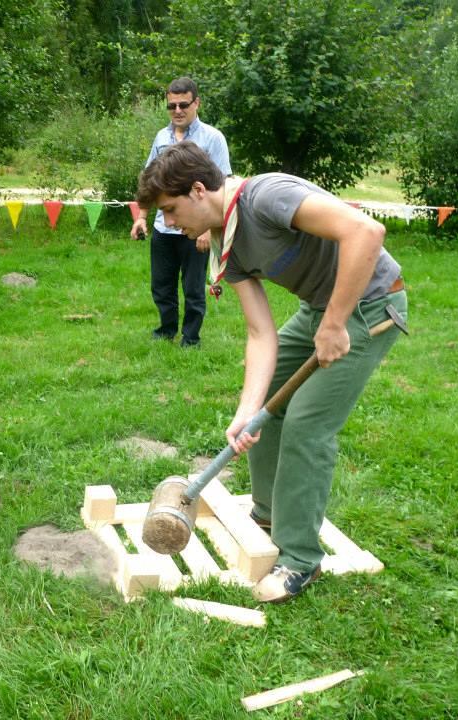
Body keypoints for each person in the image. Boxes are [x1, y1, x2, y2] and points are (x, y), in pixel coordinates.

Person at [136, 141, 408, 603]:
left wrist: (336, 322)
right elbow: (261, 334)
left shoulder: (266, 197)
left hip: (369, 306)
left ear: (199, 190)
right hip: (320, 311)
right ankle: (268, 513)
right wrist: (246, 411)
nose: (169, 222)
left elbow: (366, 232)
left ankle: (301, 558)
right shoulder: (225, 240)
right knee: (264, 410)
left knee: (307, 424)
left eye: (170, 209)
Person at [129, 77, 231, 348]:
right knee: (161, 286)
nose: (177, 111)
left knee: (193, 288)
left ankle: (191, 338)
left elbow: (223, 186)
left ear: (196, 103)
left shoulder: (213, 138)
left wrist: (210, 229)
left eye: (183, 104)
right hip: (164, 227)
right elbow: (149, 181)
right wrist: (141, 217)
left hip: (196, 228)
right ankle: (166, 330)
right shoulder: (161, 138)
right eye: (171, 106)